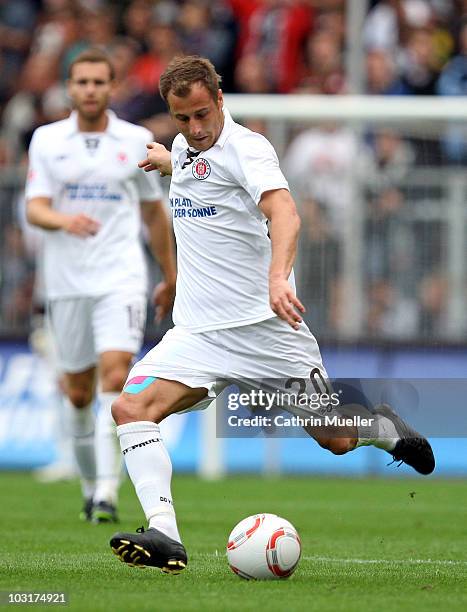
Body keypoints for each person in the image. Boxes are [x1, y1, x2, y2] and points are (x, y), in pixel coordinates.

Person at [109, 55, 435, 573]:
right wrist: (166, 159)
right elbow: (197, 172)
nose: (194, 129)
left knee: (337, 439)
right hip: (196, 335)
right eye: (182, 120)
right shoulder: (185, 148)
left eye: (201, 115)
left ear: (220, 100)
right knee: (129, 409)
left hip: (267, 334)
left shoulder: (249, 148)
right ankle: (164, 534)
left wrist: (278, 276)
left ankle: (381, 425)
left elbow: (284, 212)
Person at [25, 48, 177, 524]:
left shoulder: (136, 140)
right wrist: (64, 220)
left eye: (98, 82)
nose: (90, 89)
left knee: (115, 376)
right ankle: (91, 485)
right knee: (77, 393)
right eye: (82, 82)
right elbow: (35, 207)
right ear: (70, 88)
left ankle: (109, 492)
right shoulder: (47, 141)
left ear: (112, 87)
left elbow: (154, 213)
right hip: (67, 282)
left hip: (121, 276)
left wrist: (171, 276)